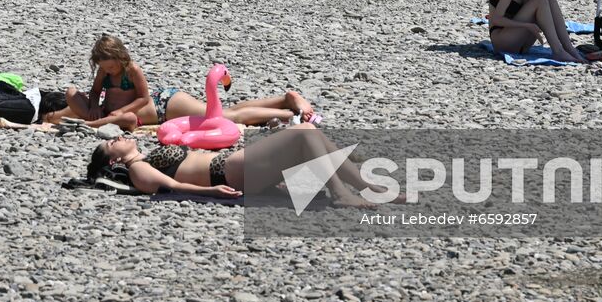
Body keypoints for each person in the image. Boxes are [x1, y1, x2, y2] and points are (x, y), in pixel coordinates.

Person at [57, 34, 320, 128]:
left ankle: (288, 110)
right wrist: (92, 105)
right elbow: (92, 92)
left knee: (221, 117)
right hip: (152, 110)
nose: (109, 70)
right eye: (105, 66)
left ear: (120, 58)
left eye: (112, 65)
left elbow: (144, 99)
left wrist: (116, 113)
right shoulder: (104, 72)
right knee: (224, 112)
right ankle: (284, 99)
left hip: (163, 105)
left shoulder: (131, 69)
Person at [88, 123, 389, 204]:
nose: (118, 138)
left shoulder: (146, 157)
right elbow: (173, 187)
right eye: (112, 142)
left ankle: (364, 185)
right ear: (114, 159)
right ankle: (342, 193)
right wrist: (211, 192)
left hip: (232, 166)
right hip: (227, 172)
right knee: (303, 133)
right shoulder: (139, 168)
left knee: (310, 137)